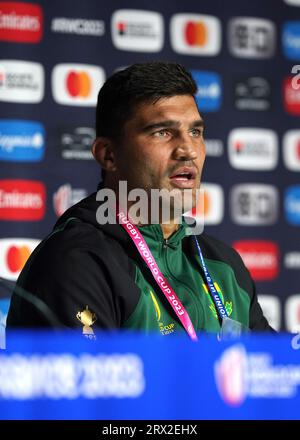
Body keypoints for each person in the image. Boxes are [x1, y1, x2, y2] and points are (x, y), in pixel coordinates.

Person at [7, 61, 273, 338]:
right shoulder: (77, 262)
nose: (188, 150)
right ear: (109, 155)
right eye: (162, 132)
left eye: (195, 132)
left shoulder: (223, 264)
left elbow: (270, 373)